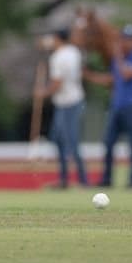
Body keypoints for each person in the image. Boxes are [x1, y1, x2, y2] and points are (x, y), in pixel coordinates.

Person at [87, 23, 132, 188]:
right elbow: (112, 79)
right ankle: (107, 179)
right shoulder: (118, 59)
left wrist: (118, 55)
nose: (124, 43)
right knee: (108, 143)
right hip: (117, 106)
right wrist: (89, 75)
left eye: (128, 40)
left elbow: (127, 74)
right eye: (123, 39)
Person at [36, 28, 89, 188]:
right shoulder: (74, 52)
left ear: (58, 39)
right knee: (58, 138)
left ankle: (82, 180)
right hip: (74, 100)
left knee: (71, 140)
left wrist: (42, 93)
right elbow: (44, 44)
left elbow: (57, 83)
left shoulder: (58, 57)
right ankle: (64, 179)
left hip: (68, 103)